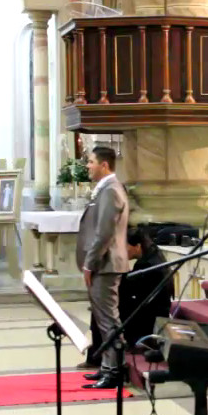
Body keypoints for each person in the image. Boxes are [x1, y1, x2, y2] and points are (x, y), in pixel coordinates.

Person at [75, 146, 130, 389]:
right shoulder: (105, 189)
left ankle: (115, 371)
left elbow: (104, 232)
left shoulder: (111, 190)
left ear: (104, 165)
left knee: (109, 319)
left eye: (91, 162)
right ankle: (107, 367)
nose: (88, 166)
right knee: (103, 318)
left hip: (105, 264)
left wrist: (89, 263)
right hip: (102, 264)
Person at [118, 227, 173, 349]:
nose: (122, 251)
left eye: (125, 246)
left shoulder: (146, 265)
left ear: (137, 246)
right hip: (156, 310)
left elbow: (128, 289)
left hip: (150, 318)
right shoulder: (154, 253)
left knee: (115, 303)